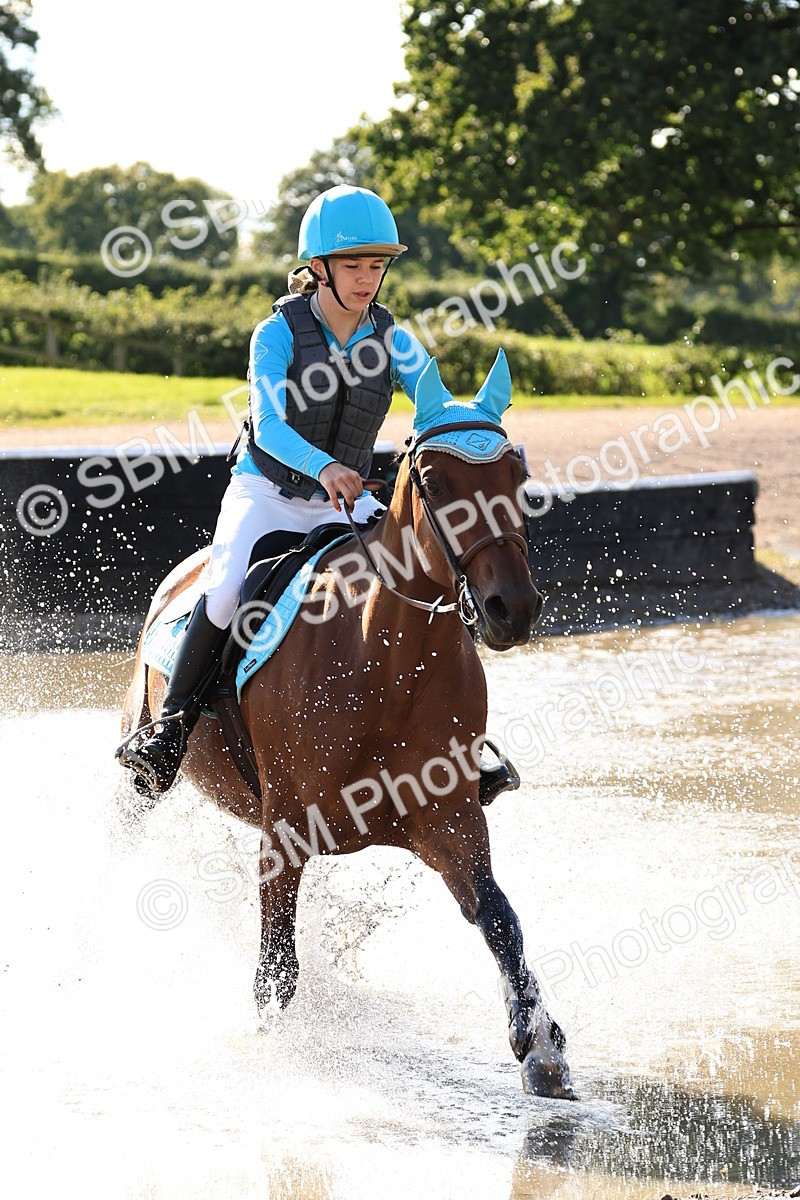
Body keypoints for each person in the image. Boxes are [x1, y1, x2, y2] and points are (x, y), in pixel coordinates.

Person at [119, 184, 516, 805]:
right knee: (224, 591)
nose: (367, 279)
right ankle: (168, 729)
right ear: (318, 269)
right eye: (354, 265)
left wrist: (473, 435)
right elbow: (271, 425)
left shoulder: (394, 339)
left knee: (427, 574)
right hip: (268, 492)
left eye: (377, 266)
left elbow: (434, 406)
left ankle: (460, 742)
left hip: (349, 500)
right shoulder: (275, 334)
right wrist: (326, 467)